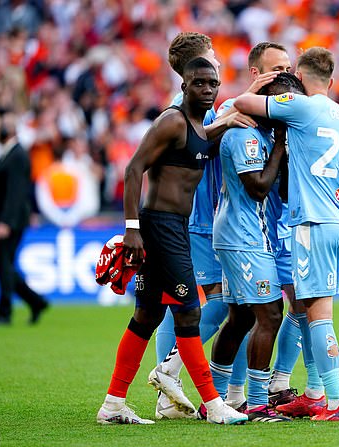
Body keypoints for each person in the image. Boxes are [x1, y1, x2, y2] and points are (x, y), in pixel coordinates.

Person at [96, 57, 248, 426]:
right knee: (188, 313)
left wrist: (227, 122)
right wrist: (132, 228)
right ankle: (213, 404)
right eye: (199, 83)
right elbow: (134, 168)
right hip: (160, 227)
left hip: (171, 226)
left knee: (146, 316)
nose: (208, 89)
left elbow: (198, 143)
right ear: (184, 86)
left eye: (213, 83)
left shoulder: (195, 125)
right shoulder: (172, 120)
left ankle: (113, 405)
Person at [235, 47, 339, 421]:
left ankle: (333, 403)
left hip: (313, 224)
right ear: (332, 81)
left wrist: (260, 83)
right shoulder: (338, 113)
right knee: (304, 310)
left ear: (299, 81)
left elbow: (242, 101)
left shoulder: (301, 106)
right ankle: (314, 393)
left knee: (319, 317)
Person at [148, 32, 262, 419]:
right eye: (212, 57)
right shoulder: (191, 107)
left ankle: (195, 393)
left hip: (195, 216)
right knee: (227, 302)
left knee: (183, 305)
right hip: (200, 218)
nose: (217, 62)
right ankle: (172, 375)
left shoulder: (191, 103)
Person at [208, 72, 305, 423]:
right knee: (270, 315)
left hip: (247, 235)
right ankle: (260, 404)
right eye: (281, 106)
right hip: (244, 238)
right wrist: (280, 144)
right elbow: (258, 187)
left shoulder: (260, 133)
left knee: (241, 318)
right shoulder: (245, 135)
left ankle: (215, 400)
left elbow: (280, 191)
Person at [0, 111, 49, 326]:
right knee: (4, 265)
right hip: (5, 220)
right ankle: (35, 301)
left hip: (10, 221)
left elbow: (16, 193)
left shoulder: (17, 155)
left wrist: (6, 222)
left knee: (3, 264)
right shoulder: (9, 152)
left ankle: (5, 313)